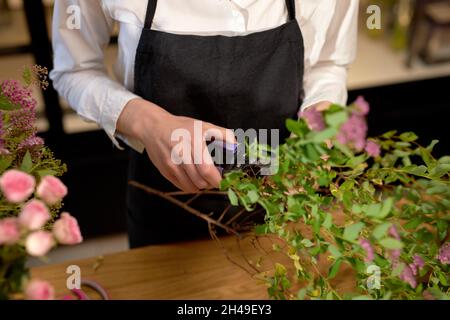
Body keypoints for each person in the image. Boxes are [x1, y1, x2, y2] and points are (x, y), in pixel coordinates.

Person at [51, 0, 358, 248]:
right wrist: (148, 123)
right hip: (165, 207)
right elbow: (74, 71)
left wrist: (321, 125)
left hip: (287, 199)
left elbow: (328, 63)